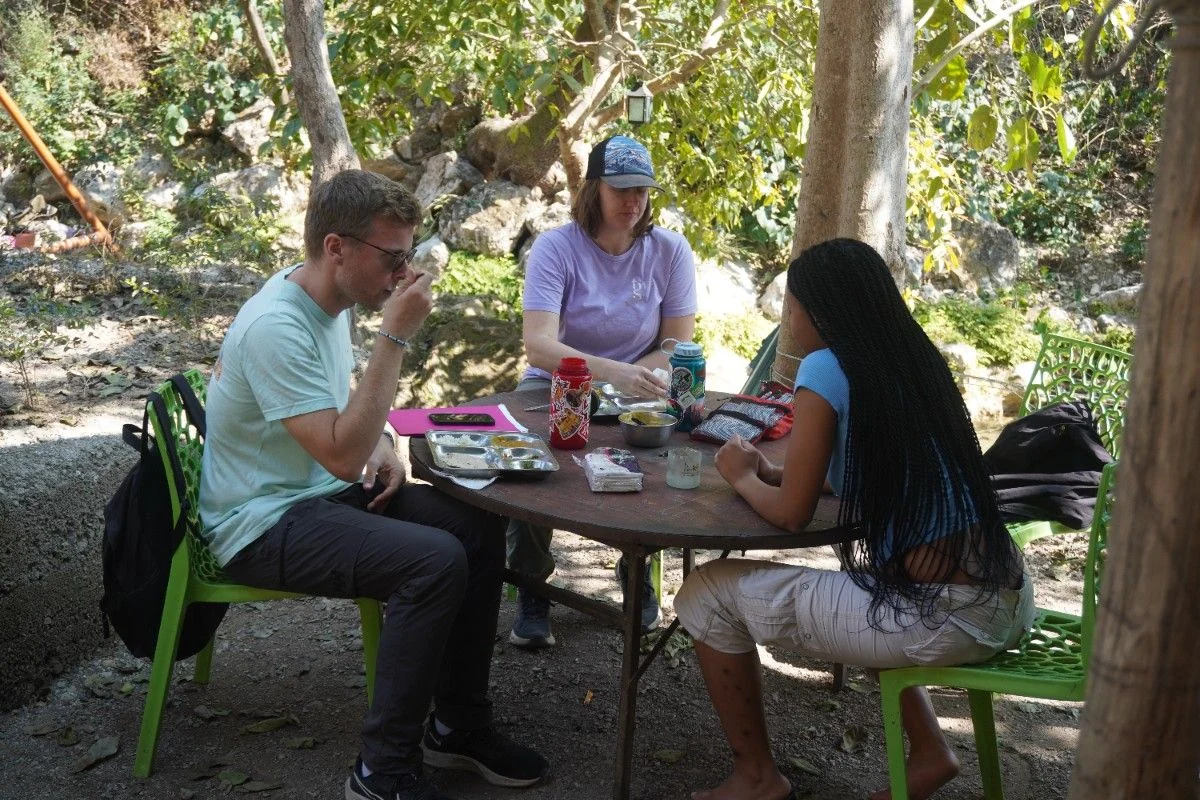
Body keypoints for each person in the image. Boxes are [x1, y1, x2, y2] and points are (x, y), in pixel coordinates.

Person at [198, 169, 548, 800]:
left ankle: (457, 726)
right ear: (337, 248)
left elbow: (344, 412)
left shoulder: (327, 301)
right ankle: (382, 770)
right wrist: (395, 335)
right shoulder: (278, 325)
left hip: (311, 493)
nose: (402, 271)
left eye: (407, 255)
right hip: (259, 521)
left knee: (474, 523)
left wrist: (382, 441)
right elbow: (337, 454)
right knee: (433, 561)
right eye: (393, 256)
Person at [674, 238, 1034, 800]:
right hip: (1007, 595)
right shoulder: (909, 357)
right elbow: (863, 471)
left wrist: (741, 477)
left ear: (818, 310)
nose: (788, 318)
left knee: (706, 592)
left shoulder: (825, 366)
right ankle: (932, 754)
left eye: (791, 306)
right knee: (879, 586)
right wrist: (772, 471)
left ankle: (757, 778)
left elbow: (792, 517)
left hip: (946, 616)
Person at [507, 134, 698, 648]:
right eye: (621, 191)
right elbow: (539, 346)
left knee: (658, 458)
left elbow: (677, 344)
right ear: (594, 190)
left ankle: (638, 573)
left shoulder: (670, 250)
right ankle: (531, 585)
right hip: (554, 381)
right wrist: (613, 372)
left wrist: (637, 378)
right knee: (530, 465)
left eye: (643, 190)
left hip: (637, 387)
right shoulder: (556, 247)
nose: (634, 202)